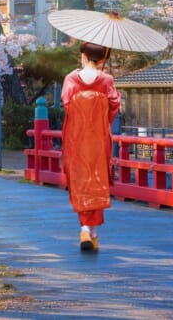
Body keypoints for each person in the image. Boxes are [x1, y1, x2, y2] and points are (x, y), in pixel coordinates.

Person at [60, 41, 121, 252]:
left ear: (83, 56)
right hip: (98, 138)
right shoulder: (107, 80)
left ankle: (87, 229)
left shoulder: (70, 79)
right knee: (98, 179)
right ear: (103, 59)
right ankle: (92, 232)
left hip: (76, 138)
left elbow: (67, 104)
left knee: (80, 180)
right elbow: (114, 106)